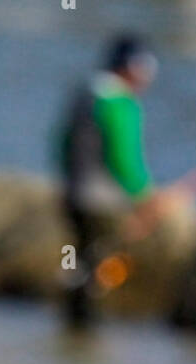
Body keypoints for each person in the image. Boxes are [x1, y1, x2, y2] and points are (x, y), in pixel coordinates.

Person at [56, 33, 161, 324]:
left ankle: (73, 326)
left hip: (73, 195)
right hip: (102, 203)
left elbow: (62, 145)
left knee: (81, 265)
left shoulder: (84, 95)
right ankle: (86, 330)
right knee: (102, 269)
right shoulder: (120, 104)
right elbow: (124, 160)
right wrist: (145, 196)